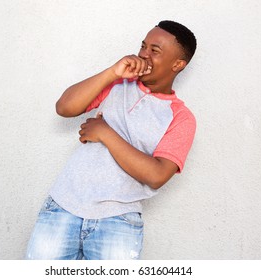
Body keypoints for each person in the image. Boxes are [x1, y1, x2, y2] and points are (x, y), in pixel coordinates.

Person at [25, 20, 197, 260]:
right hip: (62, 208)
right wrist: (112, 72)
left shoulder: (181, 118)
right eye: (143, 46)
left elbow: (157, 176)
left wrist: (105, 133)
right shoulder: (118, 84)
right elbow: (64, 107)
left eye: (154, 51)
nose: (144, 54)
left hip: (118, 222)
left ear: (178, 64)